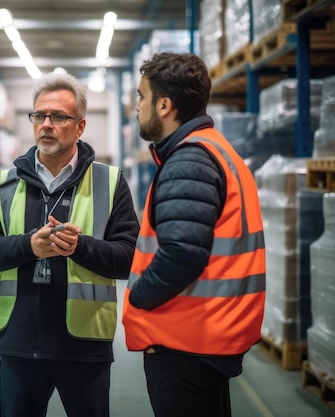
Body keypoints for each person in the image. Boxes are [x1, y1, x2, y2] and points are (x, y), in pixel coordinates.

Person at [0, 71, 140, 417]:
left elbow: (128, 260)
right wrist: (28, 247)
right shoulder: (7, 183)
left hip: (83, 344)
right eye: (39, 116)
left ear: (79, 126)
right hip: (18, 343)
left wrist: (79, 247)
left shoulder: (110, 182)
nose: (46, 124)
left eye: (58, 117)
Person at [121, 52, 266, 417]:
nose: (136, 107)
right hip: (209, 335)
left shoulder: (190, 160)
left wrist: (139, 299)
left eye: (141, 96)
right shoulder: (215, 149)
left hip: (185, 339)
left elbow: (182, 254)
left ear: (165, 105)